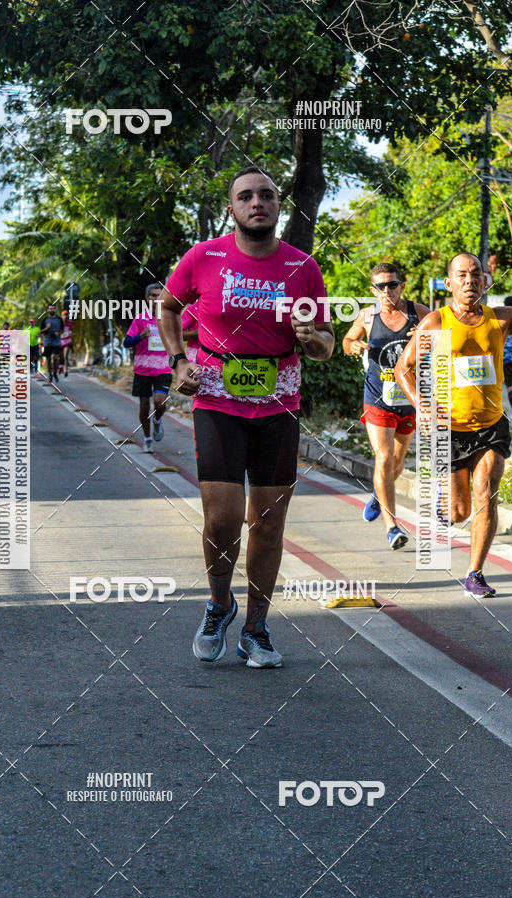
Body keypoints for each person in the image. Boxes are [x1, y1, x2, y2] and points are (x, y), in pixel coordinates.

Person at [158, 165, 334, 668]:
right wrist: (179, 361)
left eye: (267, 195)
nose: (257, 202)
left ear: (278, 205)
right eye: (246, 196)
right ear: (232, 208)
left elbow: (325, 343)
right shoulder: (204, 257)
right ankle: (219, 604)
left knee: (269, 522)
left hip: (280, 402)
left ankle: (256, 627)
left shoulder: (302, 267)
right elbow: (168, 308)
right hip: (217, 399)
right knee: (222, 517)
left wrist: (312, 339)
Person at [395, 252, 512, 598]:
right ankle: (446, 499)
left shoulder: (503, 319)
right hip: (450, 429)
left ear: (485, 281)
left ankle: (474, 573)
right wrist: (423, 406)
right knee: (458, 511)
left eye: (476, 274)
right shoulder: (436, 322)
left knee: (487, 493)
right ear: (449, 283)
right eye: (462, 275)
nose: (470, 281)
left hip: (491, 425)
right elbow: (403, 368)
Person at [343, 263, 429, 549]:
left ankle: (378, 494)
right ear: (373, 290)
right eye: (381, 286)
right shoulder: (367, 316)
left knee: (397, 461)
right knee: (384, 456)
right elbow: (347, 340)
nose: (387, 291)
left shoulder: (420, 313)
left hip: (409, 398)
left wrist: (427, 340)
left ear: (402, 285)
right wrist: (353, 346)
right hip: (377, 397)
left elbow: (445, 338)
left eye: (392, 285)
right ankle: (392, 528)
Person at [123, 283, 172, 452]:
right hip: (142, 369)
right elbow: (126, 343)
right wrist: (140, 336)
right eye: (153, 295)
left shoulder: (169, 318)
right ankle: (147, 438)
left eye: (160, 295)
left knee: (159, 401)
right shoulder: (140, 319)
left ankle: (157, 420)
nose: (157, 299)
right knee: (144, 405)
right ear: (147, 298)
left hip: (163, 368)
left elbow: (177, 340)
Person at [40, 303, 64, 382]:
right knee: (48, 359)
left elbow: (62, 329)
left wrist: (58, 333)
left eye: (53, 308)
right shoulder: (45, 320)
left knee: (55, 357)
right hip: (47, 342)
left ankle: (55, 372)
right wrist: (47, 328)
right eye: (50, 308)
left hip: (56, 342)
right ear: (47, 310)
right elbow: (40, 331)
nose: (52, 310)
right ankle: (50, 374)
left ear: (55, 309)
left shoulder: (59, 319)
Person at [60, 309, 74, 376]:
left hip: (67, 341)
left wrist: (71, 333)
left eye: (66, 315)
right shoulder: (59, 323)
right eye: (64, 315)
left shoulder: (70, 323)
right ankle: (60, 366)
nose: (65, 316)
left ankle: (66, 370)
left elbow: (71, 331)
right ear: (61, 316)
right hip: (60, 341)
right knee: (60, 357)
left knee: (65, 356)